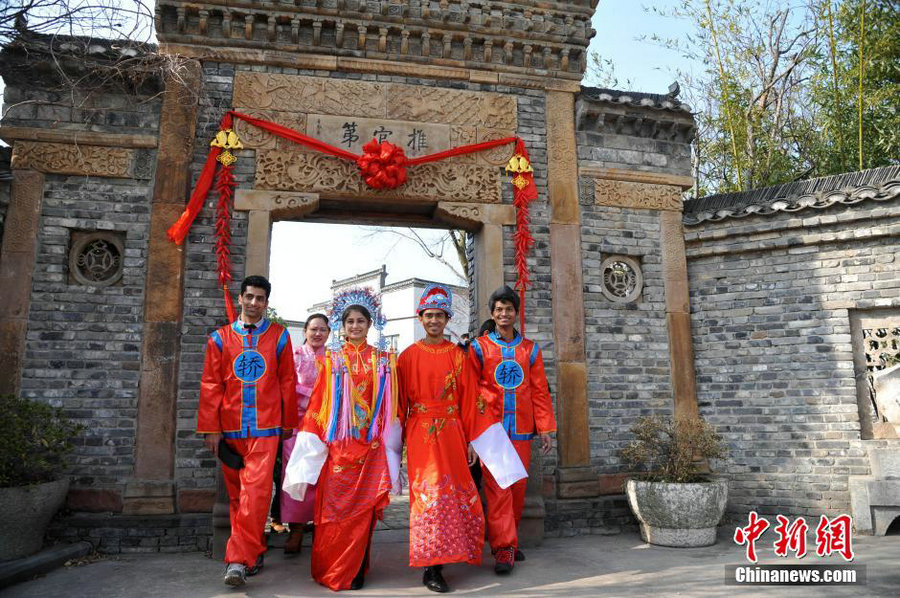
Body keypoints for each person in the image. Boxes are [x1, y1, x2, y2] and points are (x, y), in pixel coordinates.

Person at [398, 285, 526, 593]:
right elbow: (399, 403)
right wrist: (396, 444)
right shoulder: (406, 357)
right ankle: (431, 567)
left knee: (451, 496)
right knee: (427, 498)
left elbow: (472, 401)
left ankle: (449, 555)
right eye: (428, 316)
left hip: (454, 432)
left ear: (446, 320)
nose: (433, 321)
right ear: (420, 318)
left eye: (439, 316)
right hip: (420, 434)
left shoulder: (459, 356)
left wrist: (473, 440)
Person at [283, 288, 402, 591]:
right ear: (342, 324)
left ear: (370, 324)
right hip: (340, 447)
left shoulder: (383, 361)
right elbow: (318, 404)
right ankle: (332, 567)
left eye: (361, 321)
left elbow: (392, 407)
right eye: (349, 321)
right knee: (335, 512)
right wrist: (310, 442)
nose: (355, 326)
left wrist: (391, 443)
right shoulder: (333, 360)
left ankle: (357, 567)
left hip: (371, 447)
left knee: (363, 514)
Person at [197, 275, 299, 587]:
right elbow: (211, 385)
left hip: (266, 429)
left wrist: (287, 422)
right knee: (237, 497)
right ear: (240, 298)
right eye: (250, 297)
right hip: (230, 429)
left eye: (260, 299)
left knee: (255, 496)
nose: (254, 304)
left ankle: (237, 562)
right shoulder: (219, 339)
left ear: (267, 303)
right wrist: (211, 429)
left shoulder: (280, 337)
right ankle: (254, 550)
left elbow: (287, 381)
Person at [468, 285, 557, 574]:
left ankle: (509, 539)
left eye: (509, 309)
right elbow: (469, 392)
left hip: (521, 428)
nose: (504, 313)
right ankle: (503, 549)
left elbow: (540, 391)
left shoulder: (530, 350)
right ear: (492, 314)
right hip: (491, 431)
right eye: (499, 309)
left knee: (517, 488)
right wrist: (471, 433)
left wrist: (545, 429)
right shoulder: (479, 348)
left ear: (516, 313)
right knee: (498, 489)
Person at [280, 313, 330, 554]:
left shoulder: (334, 358)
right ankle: (296, 529)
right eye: (313, 329)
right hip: (298, 424)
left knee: (323, 475)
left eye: (322, 329)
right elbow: (286, 385)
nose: (317, 333)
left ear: (329, 333)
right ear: (305, 332)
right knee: (296, 474)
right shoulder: (294, 356)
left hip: (326, 425)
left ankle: (322, 525)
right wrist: (313, 393)